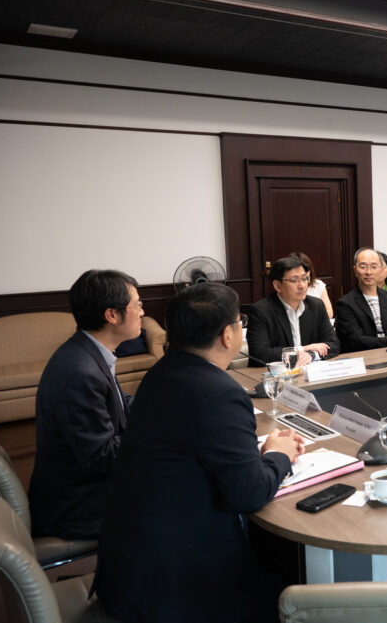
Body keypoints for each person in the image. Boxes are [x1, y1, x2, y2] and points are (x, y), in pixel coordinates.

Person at [97, 283, 303, 623]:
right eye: (240, 322)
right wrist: (279, 454)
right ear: (227, 335)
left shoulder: (161, 373)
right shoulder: (219, 392)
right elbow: (249, 493)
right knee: (292, 588)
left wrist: (261, 454)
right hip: (178, 584)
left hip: (131, 564)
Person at [28, 269, 143, 540]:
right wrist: (161, 433)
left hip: (82, 487)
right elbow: (102, 458)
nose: (142, 312)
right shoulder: (81, 372)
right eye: (137, 305)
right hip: (78, 506)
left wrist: (162, 406)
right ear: (112, 315)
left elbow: (117, 401)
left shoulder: (86, 351)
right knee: (182, 489)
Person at [246, 256, 339, 366]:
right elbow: (260, 353)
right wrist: (302, 349)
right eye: (294, 280)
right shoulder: (260, 311)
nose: (302, 286)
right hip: (274, 376)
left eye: (304, 279)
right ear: (277, 285)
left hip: (310, 373)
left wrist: (311, 355)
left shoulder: (316, 305)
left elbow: (334, 344)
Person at [334, 248, 387, 352]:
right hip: (364, 357)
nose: (368, 272)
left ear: (381, 270)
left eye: (374, 267)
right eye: (363, 267)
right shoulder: (345, 304)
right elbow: (354, 340)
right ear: (355, 270)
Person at [288, 251, 333, 318]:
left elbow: (329, 313)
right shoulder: (288, 286)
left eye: (305, 270)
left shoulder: (318, 284)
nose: (302, 285)